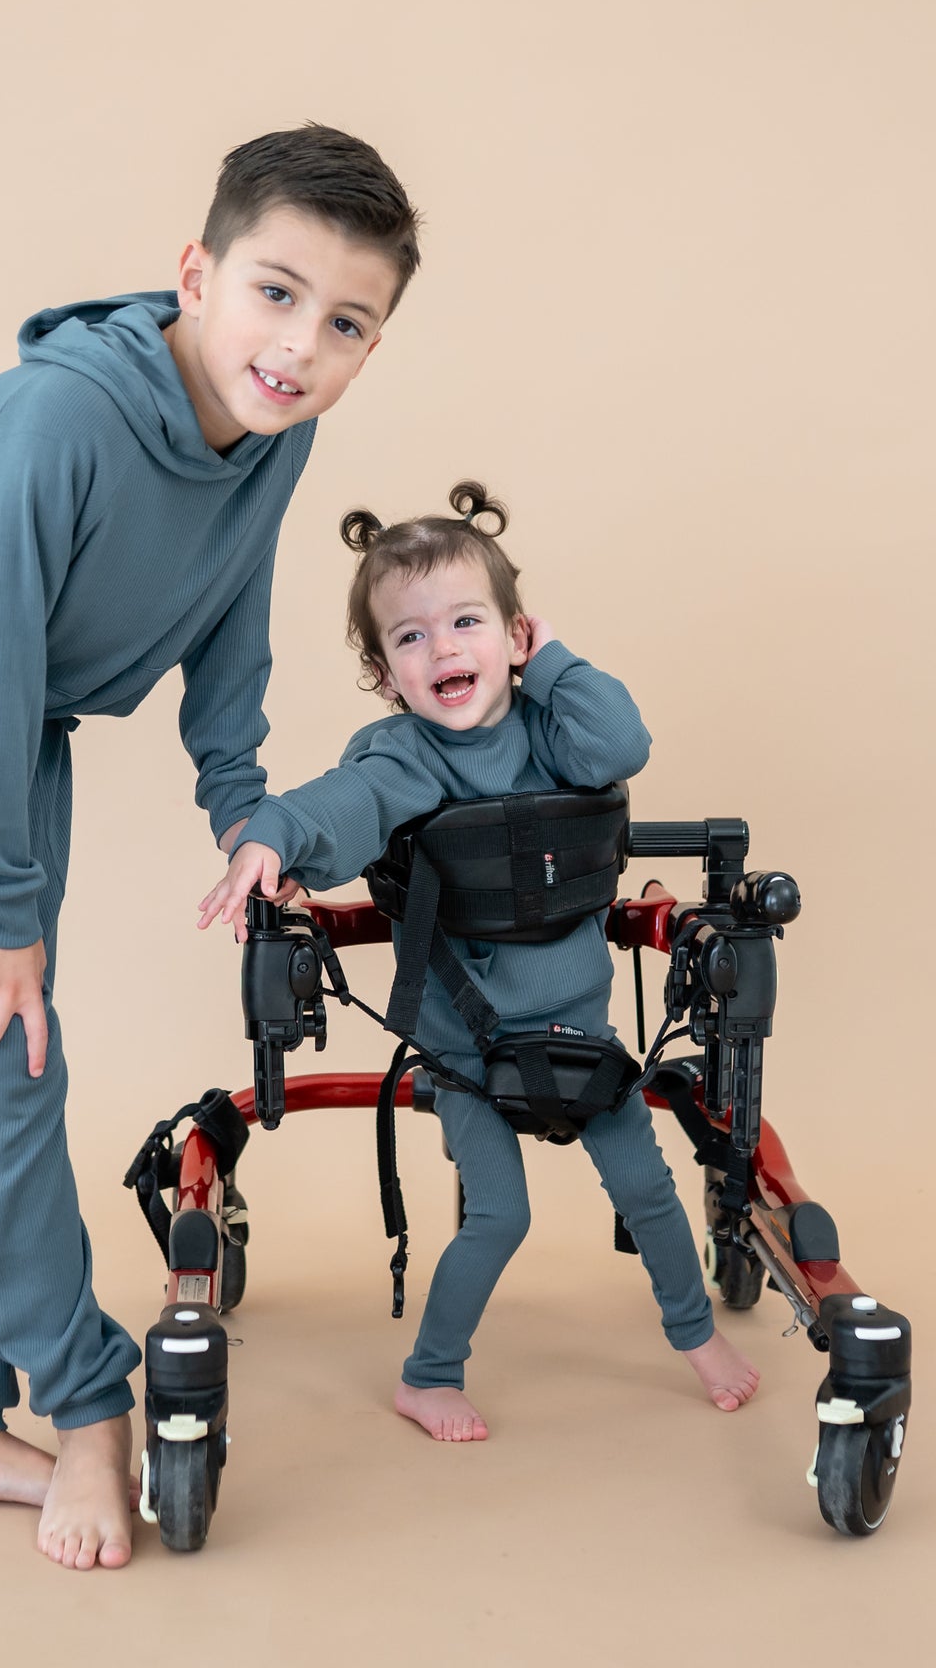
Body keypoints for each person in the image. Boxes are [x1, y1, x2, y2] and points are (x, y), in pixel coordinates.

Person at [0, 125, 421, 1566]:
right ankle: (87, 1404)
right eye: (272, 292)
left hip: (17, 707)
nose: (298, 345)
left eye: (345, 324)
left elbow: (230, 620)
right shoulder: (66, 423)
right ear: (193, 275)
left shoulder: (276, 431)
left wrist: (239, 800)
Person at [198, 484, 759, 1442]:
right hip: (466, 1047)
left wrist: (556, 666)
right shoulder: (406, 757)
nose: (443, 649)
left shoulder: (557, 733)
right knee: (500, 1217)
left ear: (514, 637)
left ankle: (695, 1334)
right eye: (409, 639)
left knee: (651, 1193)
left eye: (466, 623)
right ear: (384, 674)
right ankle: (429, 1375)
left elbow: (624, 741)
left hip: (580, 1034)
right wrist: (272, 838)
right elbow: (343, 800)